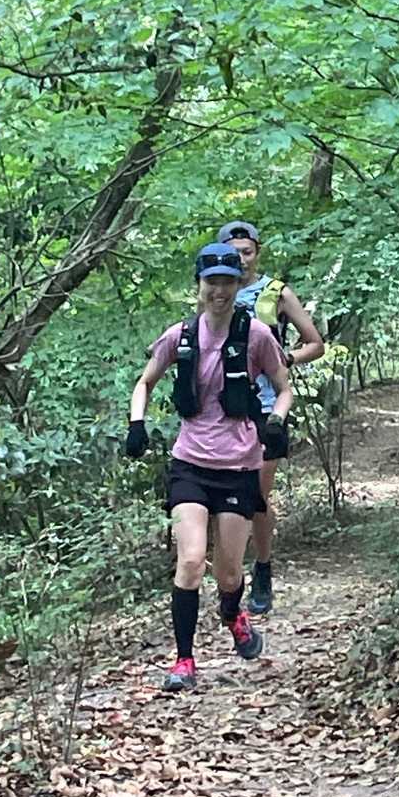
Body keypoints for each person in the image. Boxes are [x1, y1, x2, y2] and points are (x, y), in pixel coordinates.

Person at [125, 242, 292, 692]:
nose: (219, 291)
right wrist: (137, 423)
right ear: (198, 285)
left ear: (239, 285)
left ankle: (233, 614)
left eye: (228, 282)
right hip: (190, 465)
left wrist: (276, 421)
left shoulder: (256, 335)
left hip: (239, 466)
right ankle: (184, 660)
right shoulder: (179, 336)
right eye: (211, 282)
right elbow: (145, 382)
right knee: (191, 561)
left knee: (229, 573)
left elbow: (283, 387)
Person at [217, 219, 324, 614]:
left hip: (268, 406)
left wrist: (284, 358)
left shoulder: (277, 293)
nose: (242, 260)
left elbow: (316, 343)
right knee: (224, 496)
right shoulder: (214, 292)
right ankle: (230, 577)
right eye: (234, 254)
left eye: (247, 252)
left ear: (257, 252)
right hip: (223, 410)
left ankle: (262, 566)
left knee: (256, 494)